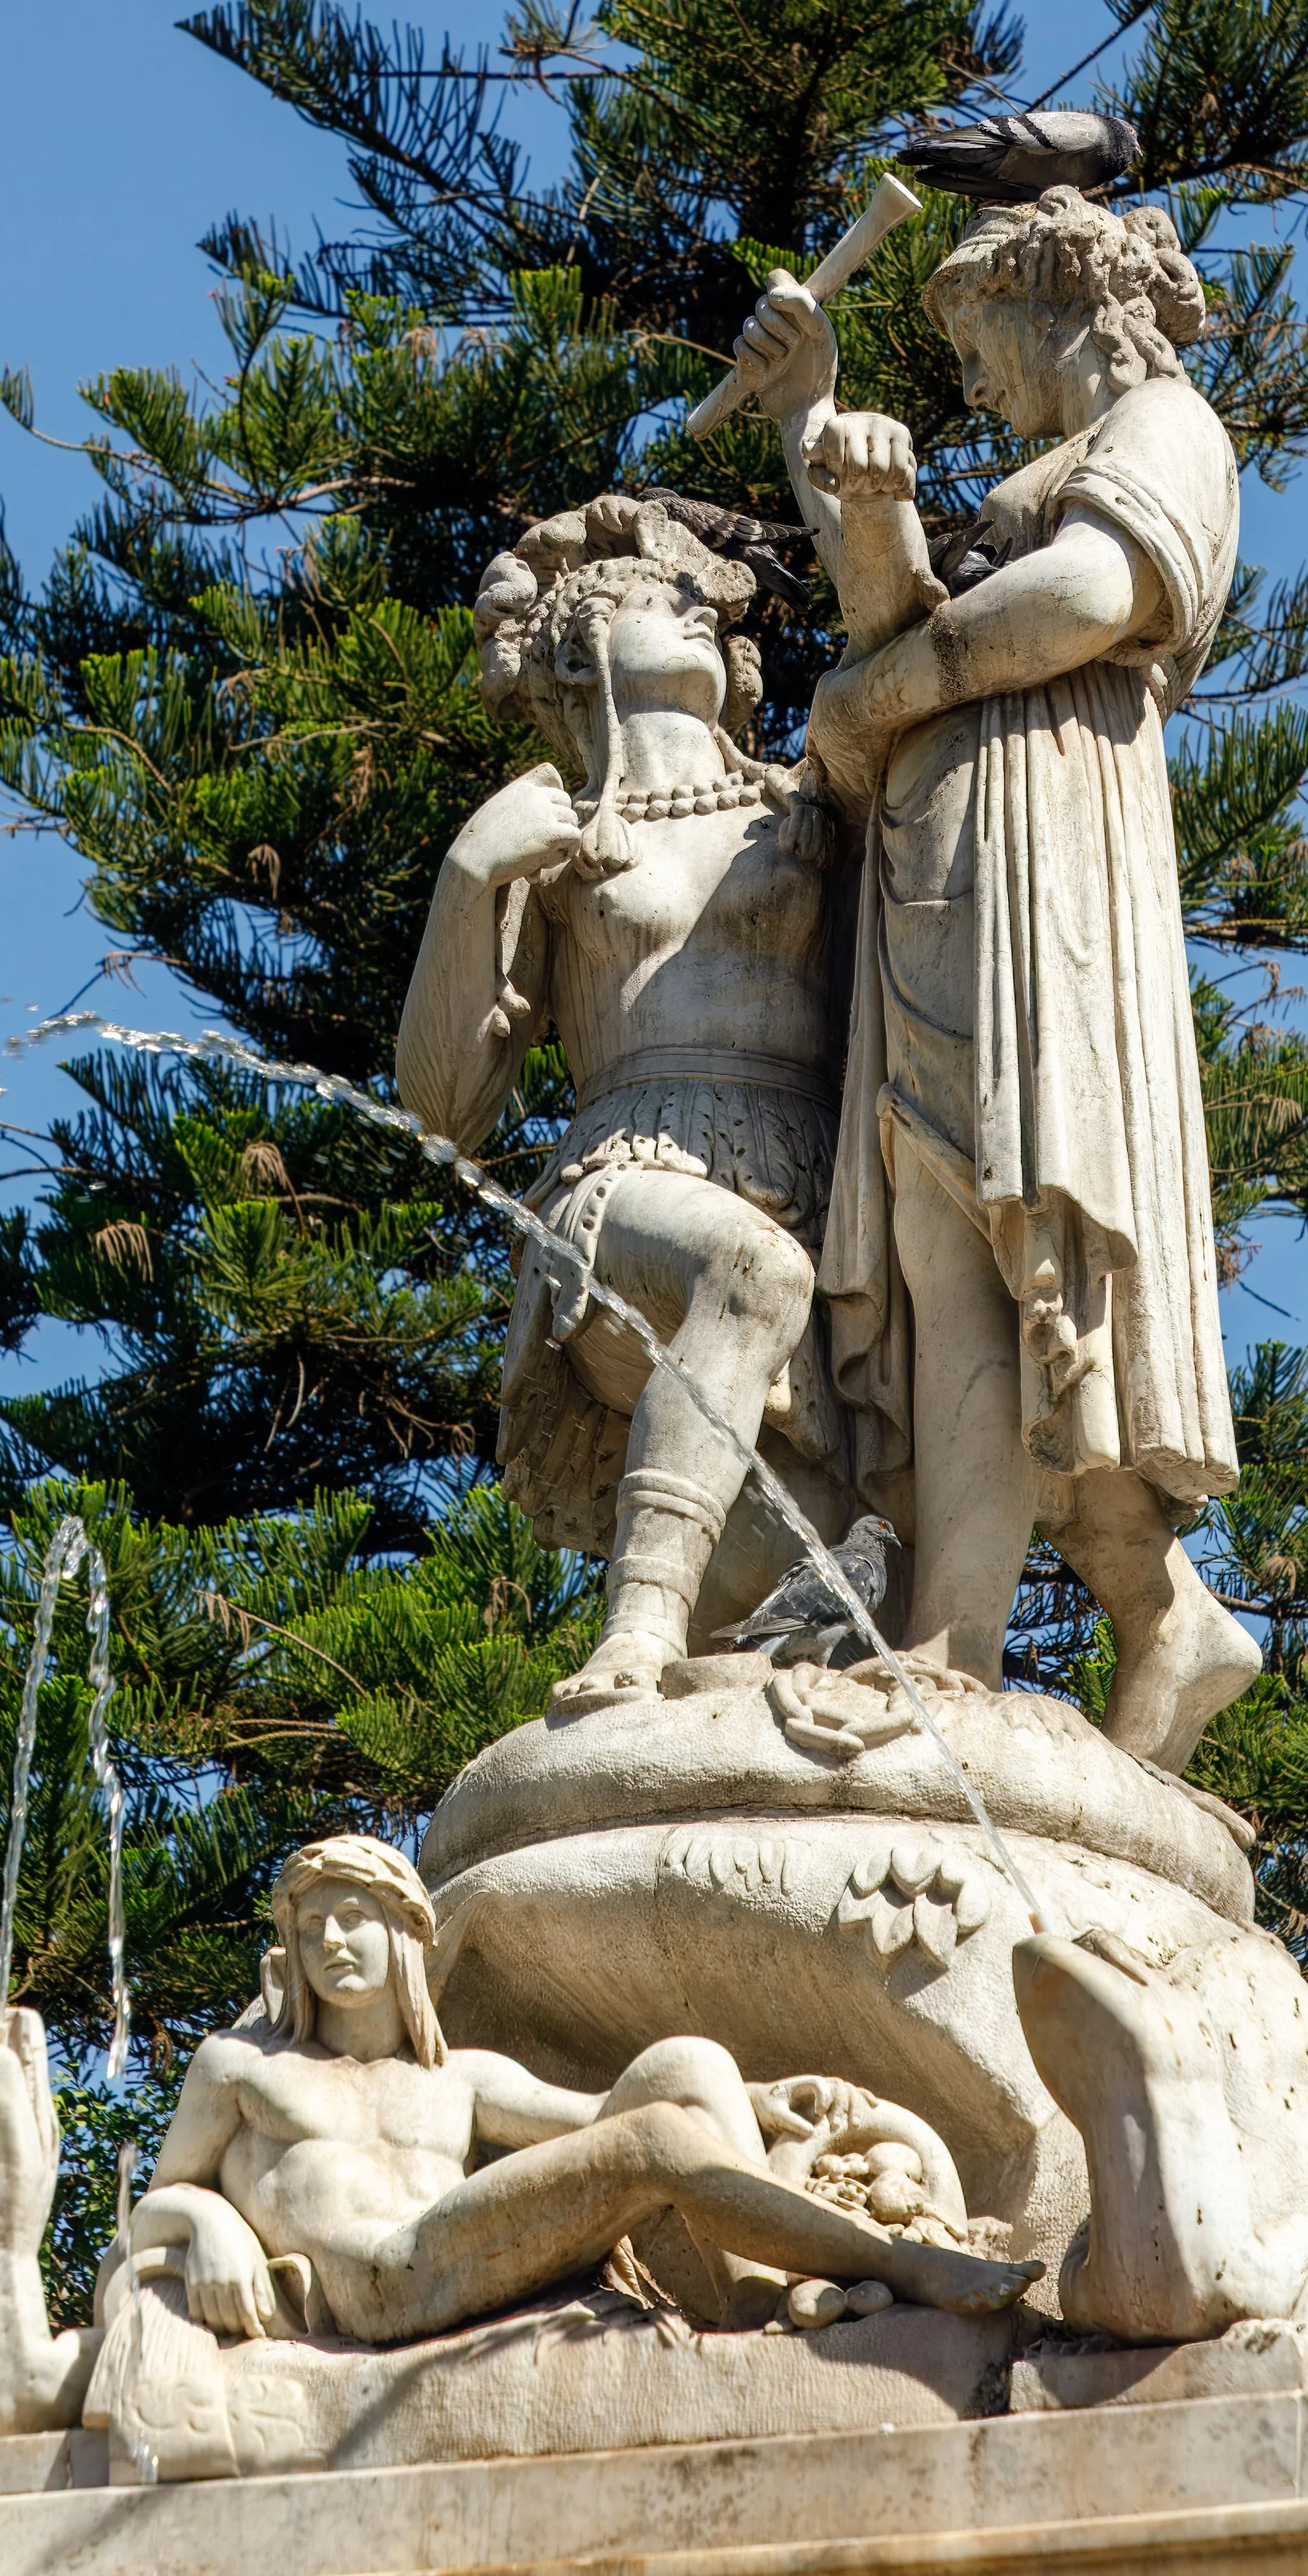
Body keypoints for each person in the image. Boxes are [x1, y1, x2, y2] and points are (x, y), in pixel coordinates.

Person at [729, 186, 1262, 1771]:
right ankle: (1002, 1636)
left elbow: (1091, 600)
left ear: (1062, 302)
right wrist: (815, 420)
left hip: (1048, 857)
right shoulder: (1042, 461)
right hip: (944, 862)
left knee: (1025, 1219)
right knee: (929, 1214)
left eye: (980, 342)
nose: (970, 387)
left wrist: (868, 697)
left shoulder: (1166, 427)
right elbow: (896, 599)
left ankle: (1107, 1619)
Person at [396, 495, 858, 1708]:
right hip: (628, 1174)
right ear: (578, 647)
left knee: (814, 1576)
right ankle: (633, 1634)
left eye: (711, 609)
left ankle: (698, 1653)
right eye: (668, 604)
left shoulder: (808, 807)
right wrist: (467, 876)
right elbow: (440, 1105)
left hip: (819, 1181)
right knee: (751, 1272)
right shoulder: (551, 846)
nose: (704, 621)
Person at [131, 1834, 1034, 2345]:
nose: (332, 1941)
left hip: (458, 2255)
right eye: (312, 1924)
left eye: (354, 1919)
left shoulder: (457, 2077)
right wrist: (206, 2221)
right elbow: (157, 2200)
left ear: (409, 1934)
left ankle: (758, 2296)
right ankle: (901, 2265)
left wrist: (753, 2094)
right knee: (653, 2149)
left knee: (686, 2063)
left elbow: (599, 2117)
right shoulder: (240, 2067)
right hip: (382, 2279)